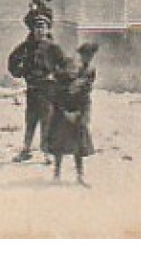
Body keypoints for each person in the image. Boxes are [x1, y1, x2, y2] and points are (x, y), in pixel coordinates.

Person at [7, 13, 63, 161]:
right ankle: (26, 150)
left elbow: (64, 66)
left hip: (48, 90)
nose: (39, 30)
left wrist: (55, 76)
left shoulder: (53, 48)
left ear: (48, 29)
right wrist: (19, 72)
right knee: (31, 120)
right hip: (32, 89)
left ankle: (46, 152)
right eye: (36, 27)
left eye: (42, 26)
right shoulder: (26, 47)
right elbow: (13, 59)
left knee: (47, 120)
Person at [48, 42, 99, 186]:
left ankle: (80, 175)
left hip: (77, 118)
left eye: (75, 69)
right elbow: (56, 100)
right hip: (61, 118)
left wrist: (80, 114)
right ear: (64, 69)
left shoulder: (82, 83)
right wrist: (65, 112)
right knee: (59, 147)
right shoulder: (61, 85)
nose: (72, 71)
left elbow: (85, 100)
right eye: (69, 69)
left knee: (78, 147)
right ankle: (56, 174)